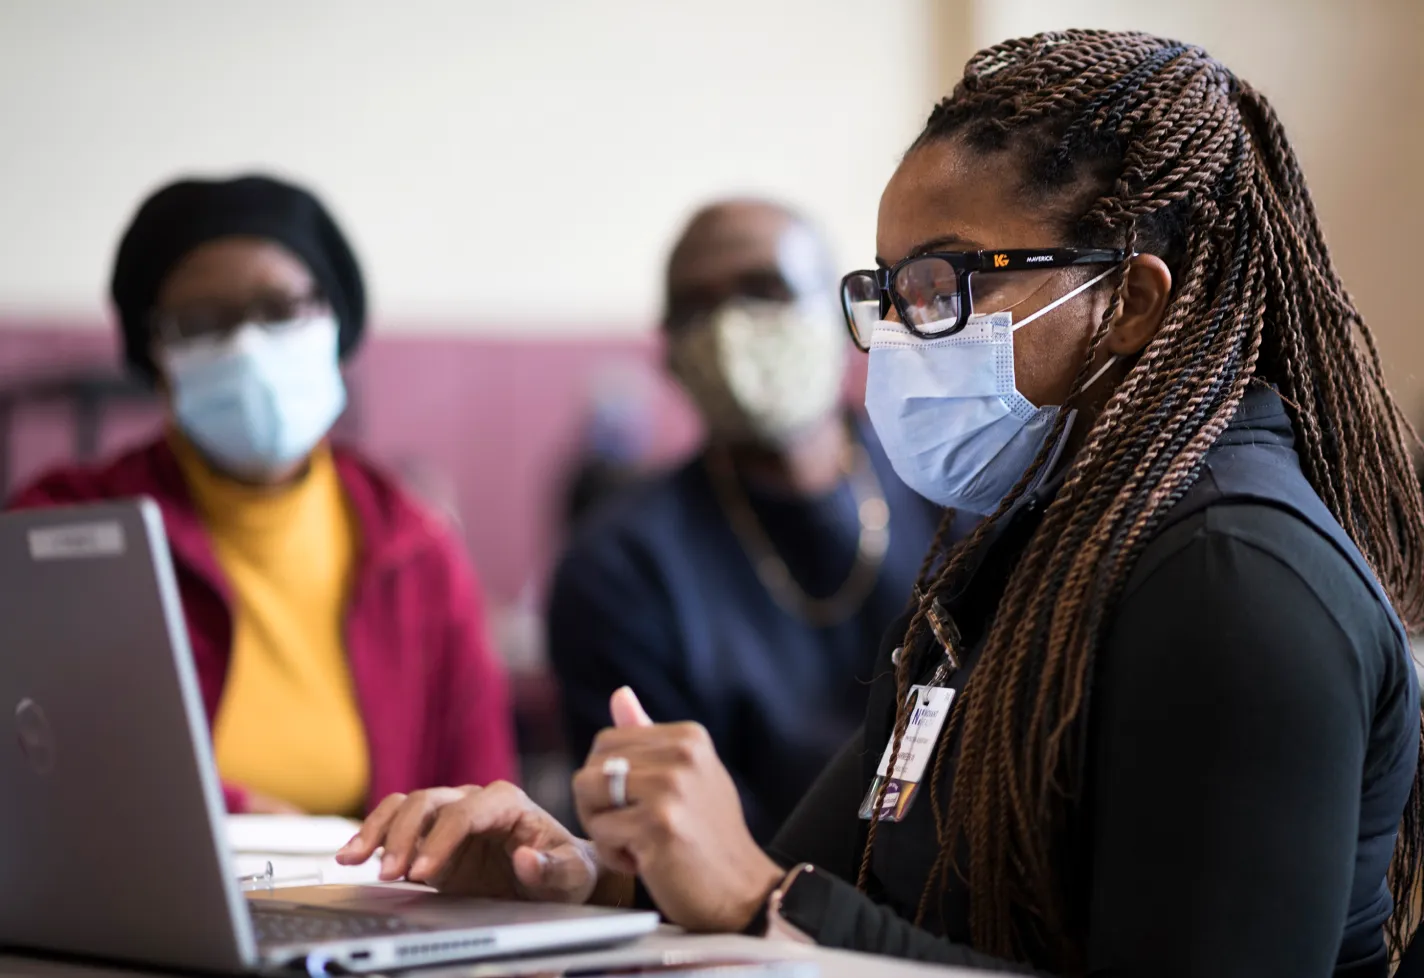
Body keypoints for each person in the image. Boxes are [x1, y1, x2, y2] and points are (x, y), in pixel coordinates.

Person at [337, 30, 1424, 977]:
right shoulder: (1016, 551)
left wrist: (761, 905)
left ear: (1130, 303)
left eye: (946, 285)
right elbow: (838, 878)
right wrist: (569, 879)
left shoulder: (1232, 580)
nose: (900, 335)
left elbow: (783, 898)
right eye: (890, 290)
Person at [9, 175, 516, 816]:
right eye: (200, 323)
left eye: (280, 310)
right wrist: (244, 818)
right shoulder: (67, 531)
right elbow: (42, 766)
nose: (246, 347)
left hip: (374, 910)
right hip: (132, 914)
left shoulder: (415, 549)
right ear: (155, 355)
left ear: (334, 322)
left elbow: (485, 802)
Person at [544, 199, 941, 842]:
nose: (731, 329)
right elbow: (675, 832)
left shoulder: (950, 497)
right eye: (698, 307)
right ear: (669, 352)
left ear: (849, 315)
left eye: (767, 290)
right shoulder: (622, 567)